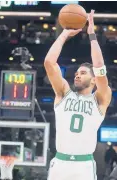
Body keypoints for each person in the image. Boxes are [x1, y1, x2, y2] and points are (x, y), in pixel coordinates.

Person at [45, 10, 112, 180]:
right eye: (76, 72)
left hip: (84, 166)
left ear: (94, 80)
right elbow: (49, 62)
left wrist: (91, 35)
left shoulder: (100, 99)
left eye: (82, 73)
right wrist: (64, 34)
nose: (77, 75)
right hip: (60, 163)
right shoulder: (63, 93)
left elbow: (99, 67)